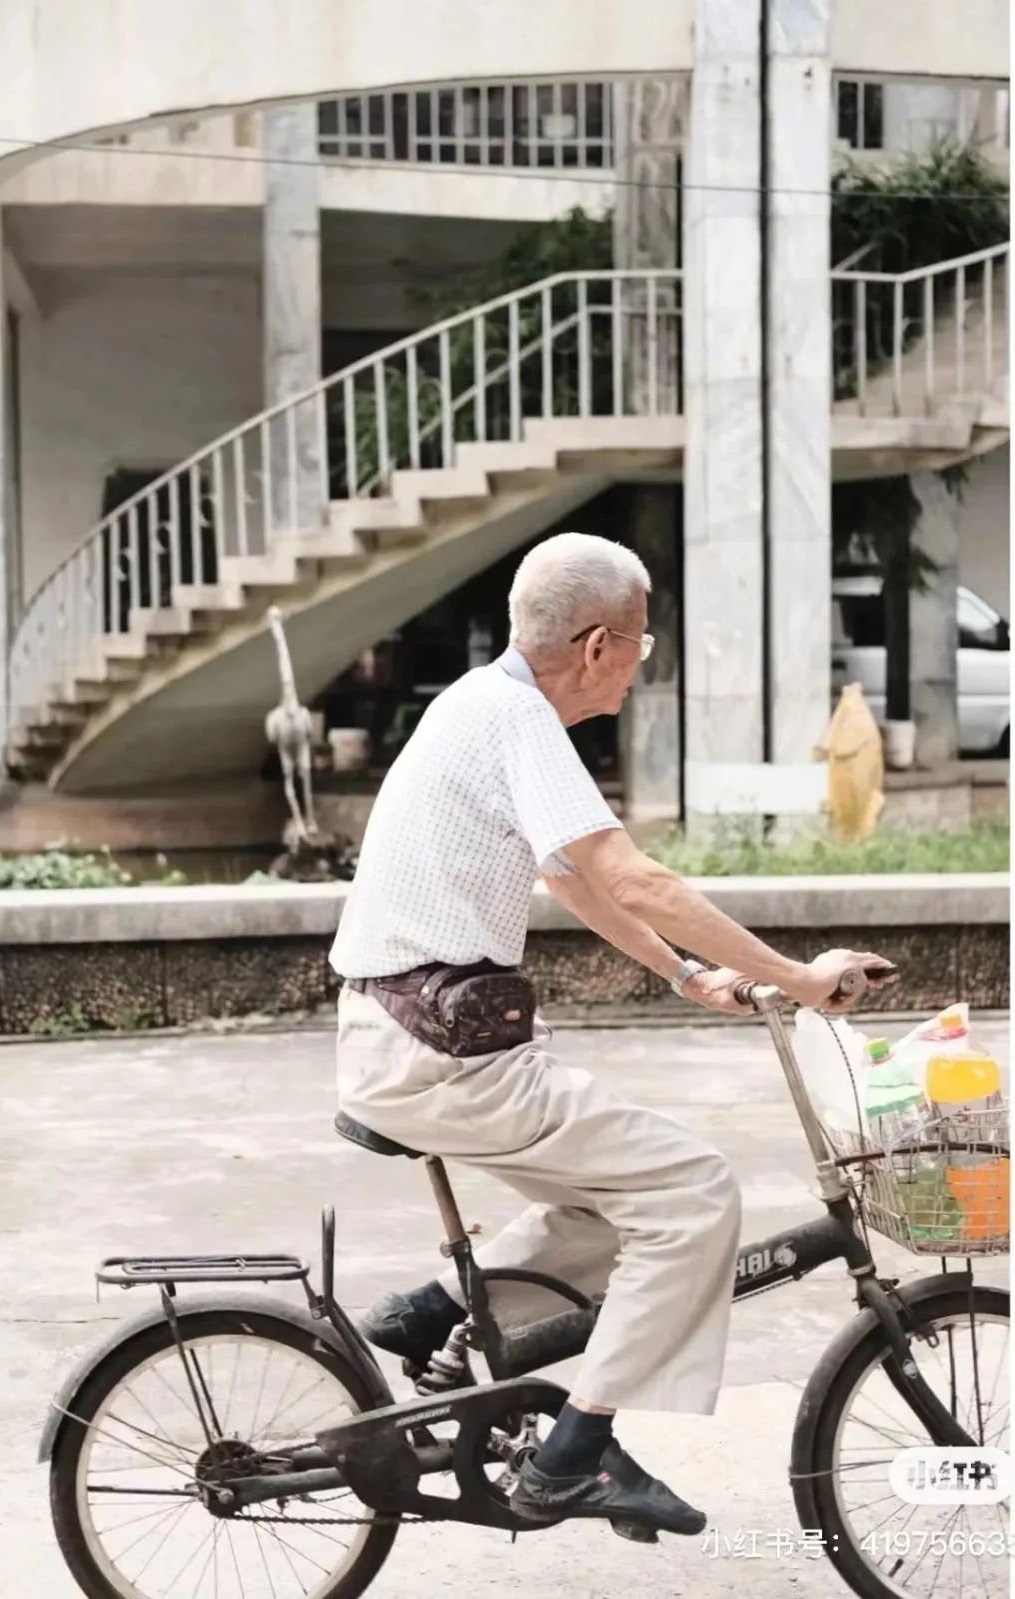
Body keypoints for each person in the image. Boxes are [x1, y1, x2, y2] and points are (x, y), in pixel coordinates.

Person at [328, 531, 892, 1539]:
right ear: (597, 644)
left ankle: (439, 1314)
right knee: (694, 1193)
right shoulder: (519, 721)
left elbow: (572, 877)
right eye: (641, 643)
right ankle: (574, 1457)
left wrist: (685, 974)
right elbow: (636, 877)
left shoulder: (483, 703)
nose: (642, 664)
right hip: (445, 1060)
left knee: (611, 1209)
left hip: (409, 1043)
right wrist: (800, 977)